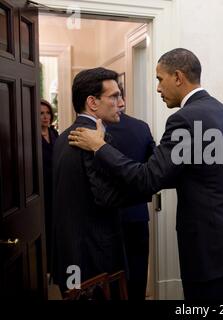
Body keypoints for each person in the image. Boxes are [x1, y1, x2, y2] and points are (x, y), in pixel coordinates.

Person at [68, 48, 223, 301]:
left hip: (210, 249)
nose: (158, 88)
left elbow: (148, 178)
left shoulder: (184, 119)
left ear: (178, 77)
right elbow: (198, 171)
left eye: (160, 79)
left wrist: (99, 146)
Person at [52, 67, 133, 293]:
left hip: (70, 252)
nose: (121, 102)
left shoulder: (63, 136)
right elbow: (106, 196)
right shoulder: (94, 140)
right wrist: (142, 185)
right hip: (94, 259)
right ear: (92, 102)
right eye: (115, 96)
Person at [107, 88, 156, 300]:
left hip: (104, 215)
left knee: (109, 276)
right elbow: (153, 172)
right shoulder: (141, 128)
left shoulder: (92, 130)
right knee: (137, 275)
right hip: (136, 213)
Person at [40, 98, 59, 272]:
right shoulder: (31, 135)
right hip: (41, 189)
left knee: (57, 226)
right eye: (41, 113)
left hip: (57, 188)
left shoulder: (55, 134)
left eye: (47, 113)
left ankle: (55, 266)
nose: (45, 117)